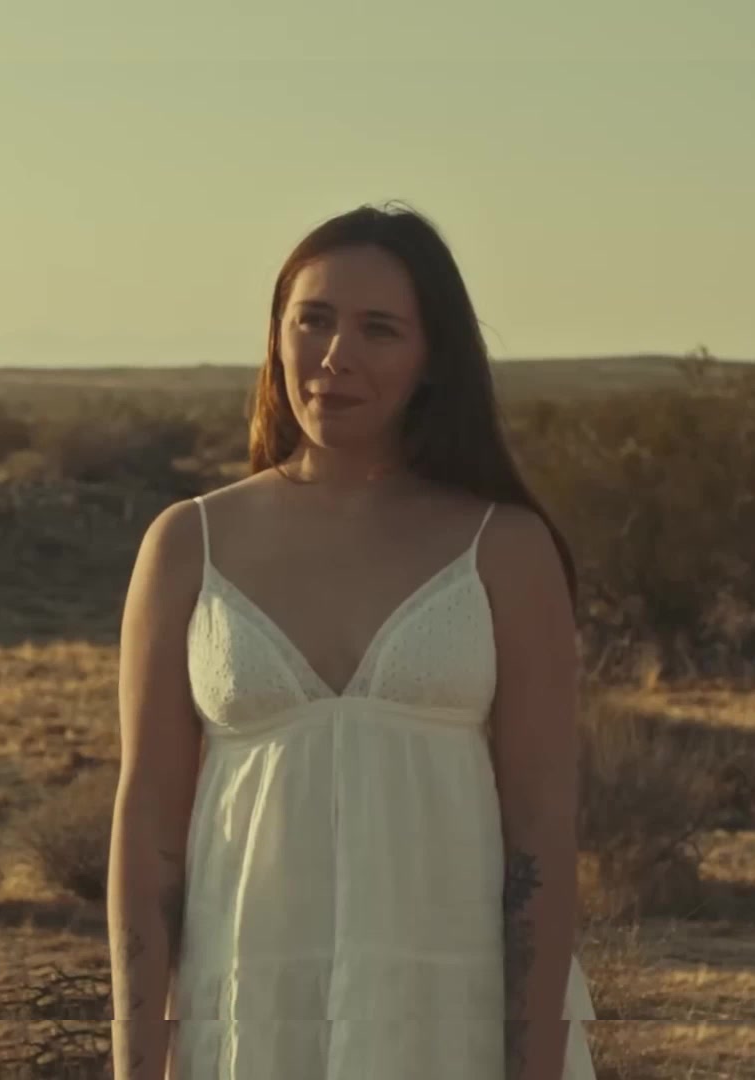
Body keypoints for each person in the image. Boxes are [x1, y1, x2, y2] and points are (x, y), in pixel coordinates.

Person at [108, 202, 596, 1080]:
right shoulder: (188, 544)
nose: (336, 355)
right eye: (314, 320)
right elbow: (148, 833)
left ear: (431, 357)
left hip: (448, 1023)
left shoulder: (504, 547)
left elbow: (540, 833)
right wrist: (135, 1064)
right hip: (247, 1019)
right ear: (277, 335)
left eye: (379, 329)